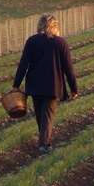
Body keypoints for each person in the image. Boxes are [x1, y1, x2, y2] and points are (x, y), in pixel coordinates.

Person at [13, 14, 78, 154]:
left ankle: (44, 143)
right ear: (55, 27)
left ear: (40, 25)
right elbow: (69, 69)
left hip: (35, 86)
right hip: (53, 87)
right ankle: (44, 145)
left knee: (41, 117)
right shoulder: (61, 43)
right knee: (47, 117)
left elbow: (23, 65)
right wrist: (74, 89)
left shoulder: (32, 41)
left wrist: (16, 85)